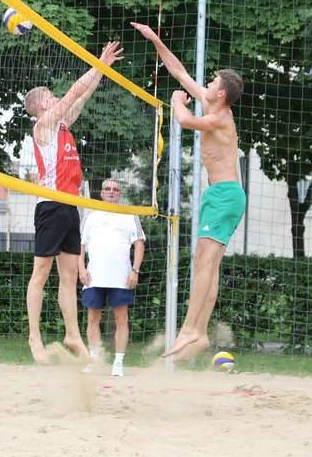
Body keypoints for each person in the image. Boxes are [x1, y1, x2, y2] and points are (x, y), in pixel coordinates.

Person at [132, 22, 245, 359]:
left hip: (225, 196)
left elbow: (184, 121)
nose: (206, 84)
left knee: (203, 261)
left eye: (212, 82)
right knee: (209, 264)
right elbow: (179, 71)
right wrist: (155, 39)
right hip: (221, 195)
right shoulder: (212, 105)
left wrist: (175, 101)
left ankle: (192, 330)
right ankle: (200, 333)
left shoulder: (220, 117)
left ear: (221, 93)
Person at [25, 41, 124, 364]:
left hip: (70, 207)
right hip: (50, 206)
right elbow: (72, 92)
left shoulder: (63, 126)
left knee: (68, 277)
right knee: (41, 273)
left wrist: (103, 68)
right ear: (41, 105)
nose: (56, 98)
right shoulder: (43, 126)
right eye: (50, 97)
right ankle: (34, 338)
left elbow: (83, 94)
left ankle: (72, 335)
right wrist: (98, 62)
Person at [78, 179, 146, 377]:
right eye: (107, 188)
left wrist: (135, 271)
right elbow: (80, 245)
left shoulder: (129, 215)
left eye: (116, 189)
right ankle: (95, 361)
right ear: (101, 193)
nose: (111, 191)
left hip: (121, 278)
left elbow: (139, 244)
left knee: (121, 319)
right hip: (94, 277)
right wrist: (81, 269)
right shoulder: (91, 216)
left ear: (119, 194)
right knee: (92, 319)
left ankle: (118, 363)